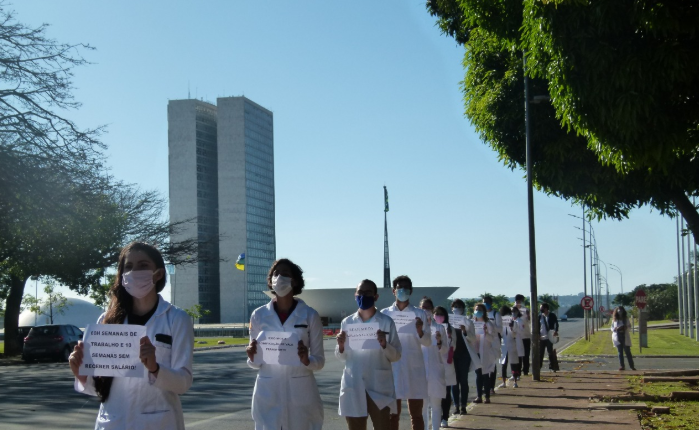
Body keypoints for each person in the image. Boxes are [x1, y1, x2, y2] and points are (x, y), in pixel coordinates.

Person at [68, 242, 194, 430]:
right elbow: (100, 387)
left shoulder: (177, 319)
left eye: (143, 266)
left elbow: (183, 383)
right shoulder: (106, 320)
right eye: (128, 267)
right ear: (122, 276)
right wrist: (81, 372)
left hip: (159, 423)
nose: (134, 272)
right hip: (113, 422)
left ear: (158, 274)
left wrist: (154, 368)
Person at [246, 258, 325, 430]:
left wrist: (306, 359)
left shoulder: (310, 315)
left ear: (294, 281)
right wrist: (252, 356)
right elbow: (255, 363)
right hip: (268, 388)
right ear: (270, 280)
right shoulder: (258, 315)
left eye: (285, 274)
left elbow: (319, 361)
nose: (279, 277)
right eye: (276, 274)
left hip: (301, 389)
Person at [336, 279, 402, 430]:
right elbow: (342, 357)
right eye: (360, 292)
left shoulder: (386, 322)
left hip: (379, 385)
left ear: (376, 296)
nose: (363, 296)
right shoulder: (347, 322)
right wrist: (340, 346)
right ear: (355, 295)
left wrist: (385, 345)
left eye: (367, 293)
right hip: (353, 384)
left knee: (383, 426)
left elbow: (396, 355)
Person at [380, 275, 432, 430]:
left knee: (416, 414)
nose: (402, 290)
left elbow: (428, 342)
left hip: (413, 367)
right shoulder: (385, 314)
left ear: (411, 291)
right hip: (392, 368)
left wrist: (420, 331)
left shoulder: (419, 314)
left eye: (406, 288)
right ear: (393, 291)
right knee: (392, 415)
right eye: (399, 287)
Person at [418, 297, 447, 430]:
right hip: (420, 370)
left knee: (436, 405)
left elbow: (446, 350)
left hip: (436, 370)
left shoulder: (440, 328)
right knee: (422, 407)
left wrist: (440, 342)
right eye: (423, 308)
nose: (426, 310)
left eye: (429, 308)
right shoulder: (416, 328)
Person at [449, 300, 477, 416]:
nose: (457, 308)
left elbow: (473, 338)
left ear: (463, 309)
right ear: (452, 308)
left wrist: (465, 332)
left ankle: (464, 406)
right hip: (453, 354)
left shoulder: (468, 322)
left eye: (459, 307)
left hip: (464, 354)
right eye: (455, 306)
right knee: (453, 382)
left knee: (463, 381)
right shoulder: (449, 322)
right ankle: (456, 406)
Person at [433, 306, 457, 428]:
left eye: (441, 314)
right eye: (436, 314)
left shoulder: (450, 329)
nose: (438, 316)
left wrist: (450, 338)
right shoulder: (429, 328)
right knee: (435, 394)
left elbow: (453, 348)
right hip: (433, 363)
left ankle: (445, 417)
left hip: (446, 363)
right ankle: (436, 417)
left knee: (446, 392)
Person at [472, 303, 496, 404]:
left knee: (485, 374)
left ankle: (487, 396)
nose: (478, 312)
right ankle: (479, 396)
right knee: (478, 374)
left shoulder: (488, 324)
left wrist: (486, 333)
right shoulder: (472, 323)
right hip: (476, 351)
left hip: (485, 351)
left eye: (480, 310)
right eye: (476, 309)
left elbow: (492, 339)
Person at [497, 306, 522, 389]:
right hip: (504, 344)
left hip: (512, 343)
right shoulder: (501, 323)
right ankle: (504, 382)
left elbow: (515, 333)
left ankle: (515, 381)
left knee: (513, 363)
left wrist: (512, 327)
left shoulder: (514, 322)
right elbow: (500, 333)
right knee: (503, 364)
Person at [483, 296, 502, 396]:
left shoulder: (496, 314)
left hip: (494, 343)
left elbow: (500, 329)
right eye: (483, 302)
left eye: (487, 302)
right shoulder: (480, 315)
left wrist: (491, 325)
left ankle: (491, 387)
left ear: (491, 303)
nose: (485, 304)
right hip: (483, 343)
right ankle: (484, 386)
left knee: (492, 365)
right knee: (483, 366)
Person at [611, 306, 636, 371]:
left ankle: (632, 366)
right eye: (619, 311)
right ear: (616, 311)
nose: (620, 312)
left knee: (627, 352)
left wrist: (625, 327)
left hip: (625, 336)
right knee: (620, 352)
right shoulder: (615, 319)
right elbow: (612, 328)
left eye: (621, 311)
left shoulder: (626, 319)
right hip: (617, 336)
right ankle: (622, 366)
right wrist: (615, 329)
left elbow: (629, 326)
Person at [513, 294, 532, 375]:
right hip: (517, 337)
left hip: (526, 335)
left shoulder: (526, 310)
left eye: (521, 301)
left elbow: (530, 321)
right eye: (519, 301)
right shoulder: (512, 310)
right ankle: (518, 371)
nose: (520, 303)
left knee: (526, 355)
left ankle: (526, 370)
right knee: (518, 355)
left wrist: (528, 316)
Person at [538, 303, 559, 369]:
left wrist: (555, 331)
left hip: (550, 337)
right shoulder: (540, 316)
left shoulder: (552, 315)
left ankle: (552, 365)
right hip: (542, 337)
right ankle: (539, 366)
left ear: (546, 308)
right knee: (540, 353)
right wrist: (538, 334)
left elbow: (556, 324)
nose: (540, 309)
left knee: (550, 352)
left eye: (541, 308)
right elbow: (537, 326)